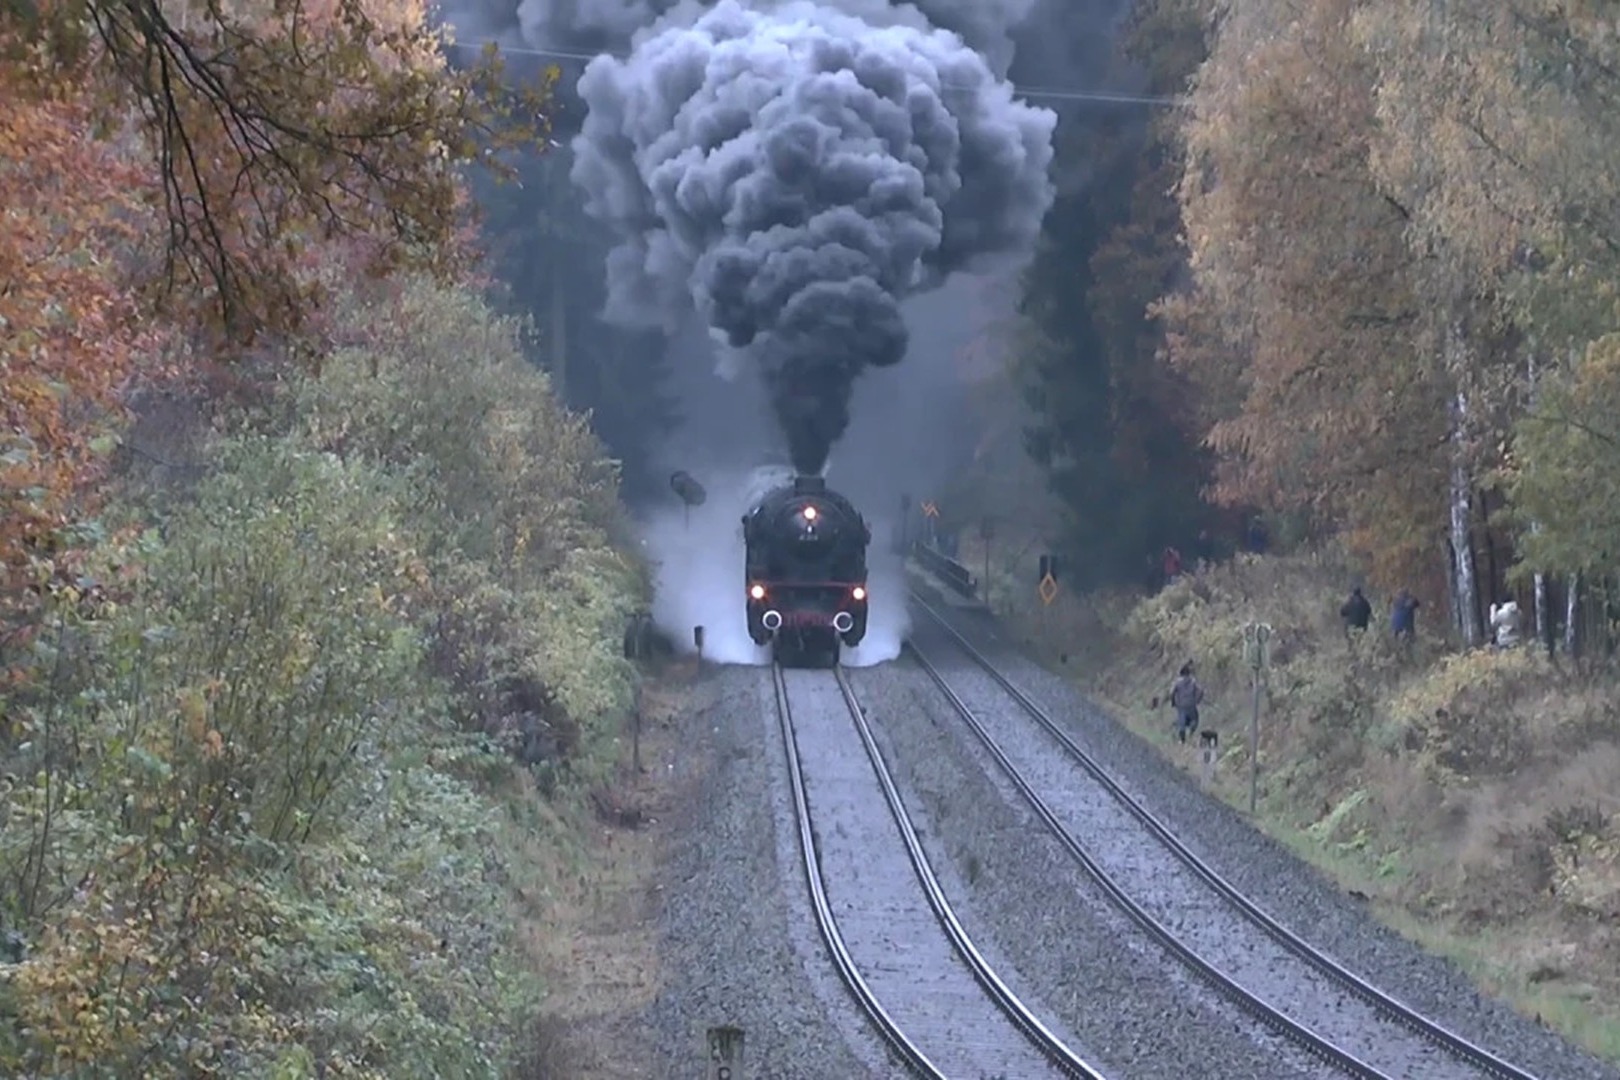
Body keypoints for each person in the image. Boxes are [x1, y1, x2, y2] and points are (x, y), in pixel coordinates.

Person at [1169, 662, 1204, 744]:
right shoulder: (1193, 681)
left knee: (1182, 722)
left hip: (1181, 705)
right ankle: (1191, 732)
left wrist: (1173, 702)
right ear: (1188, 673)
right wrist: (1197, 700)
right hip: (1191, 704)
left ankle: (1182, 740)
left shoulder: (1177, 682)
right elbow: (1200, 691)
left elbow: (1171, 693)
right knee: (1195, 719)